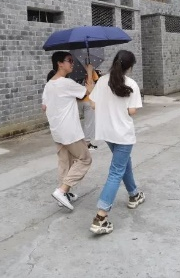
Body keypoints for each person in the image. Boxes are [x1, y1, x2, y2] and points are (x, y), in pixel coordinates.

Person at [88, 50, 144, 235]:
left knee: (124, 164)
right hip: (123, 134)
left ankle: (134, 194)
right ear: (130, 67)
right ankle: (101, 217)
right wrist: (119, 110)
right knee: (116, 172)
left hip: (107, 133)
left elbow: (93, 104)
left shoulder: (102, 81)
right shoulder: (131, 84)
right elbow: (132, 111)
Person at [42, 52, 94, 211]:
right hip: (70, 131)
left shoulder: (49, 85)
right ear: (60, 63)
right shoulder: (66, 83)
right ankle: (62, 190)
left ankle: (64, 195)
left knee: (65, 162)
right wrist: (89, 70)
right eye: (69, 61)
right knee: (85, 159)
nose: (72, 63)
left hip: (57, 130)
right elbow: (89, 90)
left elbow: (44, 107)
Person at [78, 68, 101, 150]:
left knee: (76, 123)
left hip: (76, 100)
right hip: (88, 100)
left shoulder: (74, 71)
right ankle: (87, 143)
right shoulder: (91, 71)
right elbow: (96, 83)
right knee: (89, 122)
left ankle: (77, 143)